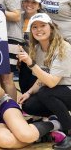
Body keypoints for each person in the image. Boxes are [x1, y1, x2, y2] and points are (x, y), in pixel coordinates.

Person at [17, 13, 71, 150]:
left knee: (45, 93)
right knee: (28, 105)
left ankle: (69, 132)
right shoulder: (37, 49)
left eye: (43, 26)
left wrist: (31, 63)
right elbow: (42, 78)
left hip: (67, 88)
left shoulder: (63, 47)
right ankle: (57, 121)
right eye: (34, 27)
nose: (39, 29)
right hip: (57, 91)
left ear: (51, 28)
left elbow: (52, 82)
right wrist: (28, 93)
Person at [18, 0, 42, 94]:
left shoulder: (44, 20)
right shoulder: (18, 18)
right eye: (27, 1)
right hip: (23, 62)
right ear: (22, 3)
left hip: (40, 61)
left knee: (39, 92)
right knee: (24, 89)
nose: (29, 4)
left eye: (33, 2)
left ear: (39, 6)